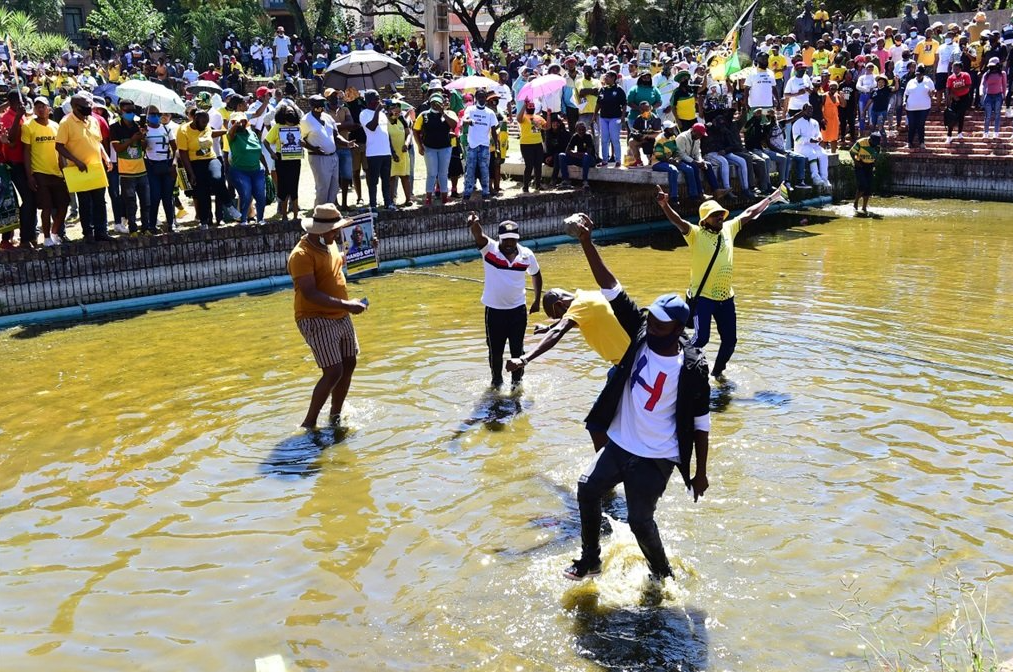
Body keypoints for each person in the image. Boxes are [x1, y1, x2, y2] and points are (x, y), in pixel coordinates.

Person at [562, 217, 711, 582]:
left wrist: (701, 472)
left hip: (657, 454)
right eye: (653, 320)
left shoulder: (691, 367)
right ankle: (591, 559)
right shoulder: (642, 332)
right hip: (621, 443)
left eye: (662, 324)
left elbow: (701, 422)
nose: (654, 326)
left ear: (678, 329)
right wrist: (587, 241)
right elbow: (610, 286)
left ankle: (663, 577)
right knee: (587, 488)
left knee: (640, 521)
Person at [655, 185, 781, 379]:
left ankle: (717, 374)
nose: (720, 217)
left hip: (725, 298)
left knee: (730, 341)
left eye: (721, 214)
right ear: (705, 220)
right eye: (715, 215)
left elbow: (750, 212)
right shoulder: (695, 234)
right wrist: (665, 205)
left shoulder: (729, 229)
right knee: (700, 339)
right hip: (703, 298)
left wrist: (772, 198)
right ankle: (676, 368)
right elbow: (678, 221)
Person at [288, 204, 370, 429]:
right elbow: (310, 293)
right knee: (333, 370)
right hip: (315, 317)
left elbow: (337, 261)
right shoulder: (301, 255)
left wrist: (365, 250)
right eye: (334, 229)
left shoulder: (329, 243)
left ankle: (335, 415)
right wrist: (348, 304)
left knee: (349, 362)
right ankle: (309, 423)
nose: (337, 233)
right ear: (320, 230)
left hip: (341, 313)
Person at [468, 212, 542, 388]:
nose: (509, 244)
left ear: (517, 239)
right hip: (494, 311)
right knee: (495, 351)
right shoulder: (489, 250)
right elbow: (479, 235)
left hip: (518, 311)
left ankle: (517, 383)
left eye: (513, 240)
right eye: (506, 239)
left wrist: (537, 300)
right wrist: (474, 224)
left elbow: (536, 274)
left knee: (517, 350)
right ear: (499, 238)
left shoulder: (526, 255)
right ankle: (496, 381)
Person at [55, 93, 112, 243]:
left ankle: (102, 231)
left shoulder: (93, 120)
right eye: (85, 107)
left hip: (96, 167)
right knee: (85, 202)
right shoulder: (65, 123)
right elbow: (59, 146)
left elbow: (98, 142)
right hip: (78, 169)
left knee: (100, 201)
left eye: (90, 106)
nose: (89, 109)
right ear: (75, 107)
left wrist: (106, 157)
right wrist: (76, 161)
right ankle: (88, 233)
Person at [21, 97, 68, 247]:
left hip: (57, 172)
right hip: (39, 172)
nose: (41, 109)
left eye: (43, 106)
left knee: (63, 205)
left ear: (49, 109)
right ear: (34, 110)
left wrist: (64, 169)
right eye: (37, 107)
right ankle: (46, 237)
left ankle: (55, 233)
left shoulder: (56, 126)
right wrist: (30, 176)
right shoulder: (28, 126)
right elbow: (26, 152)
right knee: (46, 207)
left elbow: (60, 151)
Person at [176, 108, 227, 229]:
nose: (205, 125)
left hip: (211, 158)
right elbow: (183, 154)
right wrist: (191, 173)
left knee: (218, 179)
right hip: (195, 163)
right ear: (195, 119)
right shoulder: (183, 130)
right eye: (203, 122)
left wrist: (226, 131)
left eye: (207, 122)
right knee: (202, 192)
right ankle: (205, 220)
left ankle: (227, 207)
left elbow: (212, 133)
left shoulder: (206, 127)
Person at [0, 91, 38, 248]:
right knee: (18, 201)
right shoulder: (5, 118)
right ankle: (20, 238)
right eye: (20, 102)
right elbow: (11, 141)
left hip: (24, 163)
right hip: (11, 164)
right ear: (13, 102)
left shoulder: (22, 115)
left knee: (29, 199)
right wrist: (17, 118)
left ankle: (29, 234)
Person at [301, 94, 352, 208]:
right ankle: (319, 212)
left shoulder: (327, 117)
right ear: (313, 106)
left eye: (323, 103)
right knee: (323, 187)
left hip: (333, 156)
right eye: (319, 104)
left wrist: (347, 143)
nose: (322, 106)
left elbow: (335, 135)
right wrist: (314, 148)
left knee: (334, 186)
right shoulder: (306, 120)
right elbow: (301, 140)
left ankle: (329, 211)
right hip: (318, 157)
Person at [109, 98, 151, 234]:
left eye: (133, 110)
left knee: (146, 202)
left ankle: (146, 228)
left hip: (141, 170)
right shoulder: (115, 128)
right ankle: (133, 229)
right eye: (128, 111)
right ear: (121, 111)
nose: (131, 113)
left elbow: (145, 147)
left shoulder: (138, 125)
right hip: (126, 172)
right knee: (130, 203)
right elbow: (118, 149)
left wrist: (144, 136)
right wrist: (132, 139)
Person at [413, 91, 457, 206]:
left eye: (437, 102)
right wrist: (419, 145)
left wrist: (443, 112)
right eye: (433, 102)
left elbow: (454, 125)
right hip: (429, 148)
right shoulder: (424, 115)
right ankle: (428, 197)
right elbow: (415, 130)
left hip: (445, 148)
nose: (435, 105)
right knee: (432, 173)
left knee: (443, 173)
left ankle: (444, 197)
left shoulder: (448, 113)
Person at [227, 112, 269, 225]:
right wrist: (235, 125)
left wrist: (266, 168)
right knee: (246, 193)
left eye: (243, 121)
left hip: (257, 170)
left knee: (261, 195)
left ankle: (260, 219)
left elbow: (260, 152)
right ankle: (244, 219)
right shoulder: (232, 136)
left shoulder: (252, 134)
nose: (241, 123)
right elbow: (230, 134)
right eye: (237, 121)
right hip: (240, 171)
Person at [265, 102, 304, 220]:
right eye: (288, 111)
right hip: (281, 159)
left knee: (294, 186)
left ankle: (296, 215)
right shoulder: (277, 127)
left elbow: (302, 142)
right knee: (282, 187)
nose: (290, 113)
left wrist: (303, 143)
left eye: (292, 111)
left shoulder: (298, 127)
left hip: (295, 159)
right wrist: (272, 154)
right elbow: (266, 142)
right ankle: (284, 215)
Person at [142, 105, 177, 233]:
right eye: (152, 114)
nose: (156, 116)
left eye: (157, 114)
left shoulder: (167, 129)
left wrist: (174, 163)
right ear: (146, 115)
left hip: (167, 165)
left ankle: (171, 223)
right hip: (151, 166)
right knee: (155, 196)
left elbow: (175, 148)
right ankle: (152, 225)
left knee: (167, 197)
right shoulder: (144, 130)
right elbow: (142, 148)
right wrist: (143, 136)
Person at [360, 90, 393, 211]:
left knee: (386, 180)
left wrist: (392, 151)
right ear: (368, 101)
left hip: (386, 152)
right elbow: (372, 127)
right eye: (376, 99)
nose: (378, 101)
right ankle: (373, 204)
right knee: (373, 181)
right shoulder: (364, 114)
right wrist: (378, 112)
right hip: (373, 153)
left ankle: (388, 203)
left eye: (379, 98)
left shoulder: (383, 114)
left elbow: (386, 134)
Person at [461, 88, 497, 201]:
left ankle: (485, 192)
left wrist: (497, 146)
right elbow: (464, 120)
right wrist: (469, 121)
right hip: (472, 145)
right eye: (479, 97)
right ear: (476, 98)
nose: (481, 99)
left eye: (483, 97)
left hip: (484, 145)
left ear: (486, 98)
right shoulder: (470, 109)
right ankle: (467, 192)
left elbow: (494, 130)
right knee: (470, 169)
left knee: (484, 169)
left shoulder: (490, 113)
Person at [792, 103, 831, 187]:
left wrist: (819, 138)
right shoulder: (797, 123)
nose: (810, 111)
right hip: (802, 147)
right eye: (808, 110)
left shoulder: (815, 122)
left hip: (814, 145)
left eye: (811, 109)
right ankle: (815, 177)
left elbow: (818, 134)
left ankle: (824, 178)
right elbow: (797, 138)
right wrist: (809, 140)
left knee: (824, 154)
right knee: (812, 153)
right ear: (803, 111)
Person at [386, 100, 412, 207]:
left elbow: (409, 133)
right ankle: (391, 200)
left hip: (402, 152)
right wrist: (393, 153)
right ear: (388, 110)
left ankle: (408, 199)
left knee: (405, 176)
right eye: (394, 110)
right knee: (391, 178)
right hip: (390, 153)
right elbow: (386, 139)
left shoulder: (401, 119)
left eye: (398, 110)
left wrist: (406, 143)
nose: (397, 113)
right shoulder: (384, 121)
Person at [849, 131, 882, 216]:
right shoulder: (861, 142)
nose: (874, 145)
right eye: (873, 143)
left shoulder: (877, 146)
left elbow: (876, 157)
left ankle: (864, 207)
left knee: (868, 188)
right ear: (870, 139)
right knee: (862, 185)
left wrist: (874, 165)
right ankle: (856, 202)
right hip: (860, 165)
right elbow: (852, 152)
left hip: (869, 166)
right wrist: (856, 161)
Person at [903, 65, 935, 149]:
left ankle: (922, 142)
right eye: (917, 74)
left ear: (923, 74)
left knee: (921, 125)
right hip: (911, 108)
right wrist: (904, 102)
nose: (918, 76)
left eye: (920, 74)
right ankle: (909, 142)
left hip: (924, 107)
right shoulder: (911, 82)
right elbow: (906, 93)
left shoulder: (928, 81)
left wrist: (931, 93)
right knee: (912, 125)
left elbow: (932, 92)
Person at [558, 121, 595, 190]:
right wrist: (577, 154)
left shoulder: (588, 136)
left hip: (590, 160)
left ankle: (585, 181)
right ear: (576, 130)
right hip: (579, 158)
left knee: (586, 156)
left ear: (585, 129)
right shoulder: (575, 136)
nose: (581, 131)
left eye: (583, 129)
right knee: (562, 155)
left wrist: (574, 154)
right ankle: (565, 179)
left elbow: (588, 152)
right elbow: (567, 151)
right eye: (579, 130)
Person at [517, 99, 544, 192]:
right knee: (529, 165)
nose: (531, 107)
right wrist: (524, 105)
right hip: (526, 144)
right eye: (530, 106)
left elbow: (547, 126)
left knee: (538, 165)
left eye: (533, 106)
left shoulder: (538, 117)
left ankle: (538, 185)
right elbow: (518, 119)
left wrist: (548, 114)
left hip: (538, 143)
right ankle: (525, 186)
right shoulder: (524, 117)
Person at [944, 61, 971, 143]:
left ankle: (960, 133)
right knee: (951, 116)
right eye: (953, 68)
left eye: (957, 68)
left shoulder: (965, 75)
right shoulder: (950, 78)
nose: (955, 70)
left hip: (964, 97)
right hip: (954, 98)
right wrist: (952, 96)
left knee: (961, 116)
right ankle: (949, 135)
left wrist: (957, 90)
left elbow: (968, 85)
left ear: (960, 68)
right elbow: (948, 89)